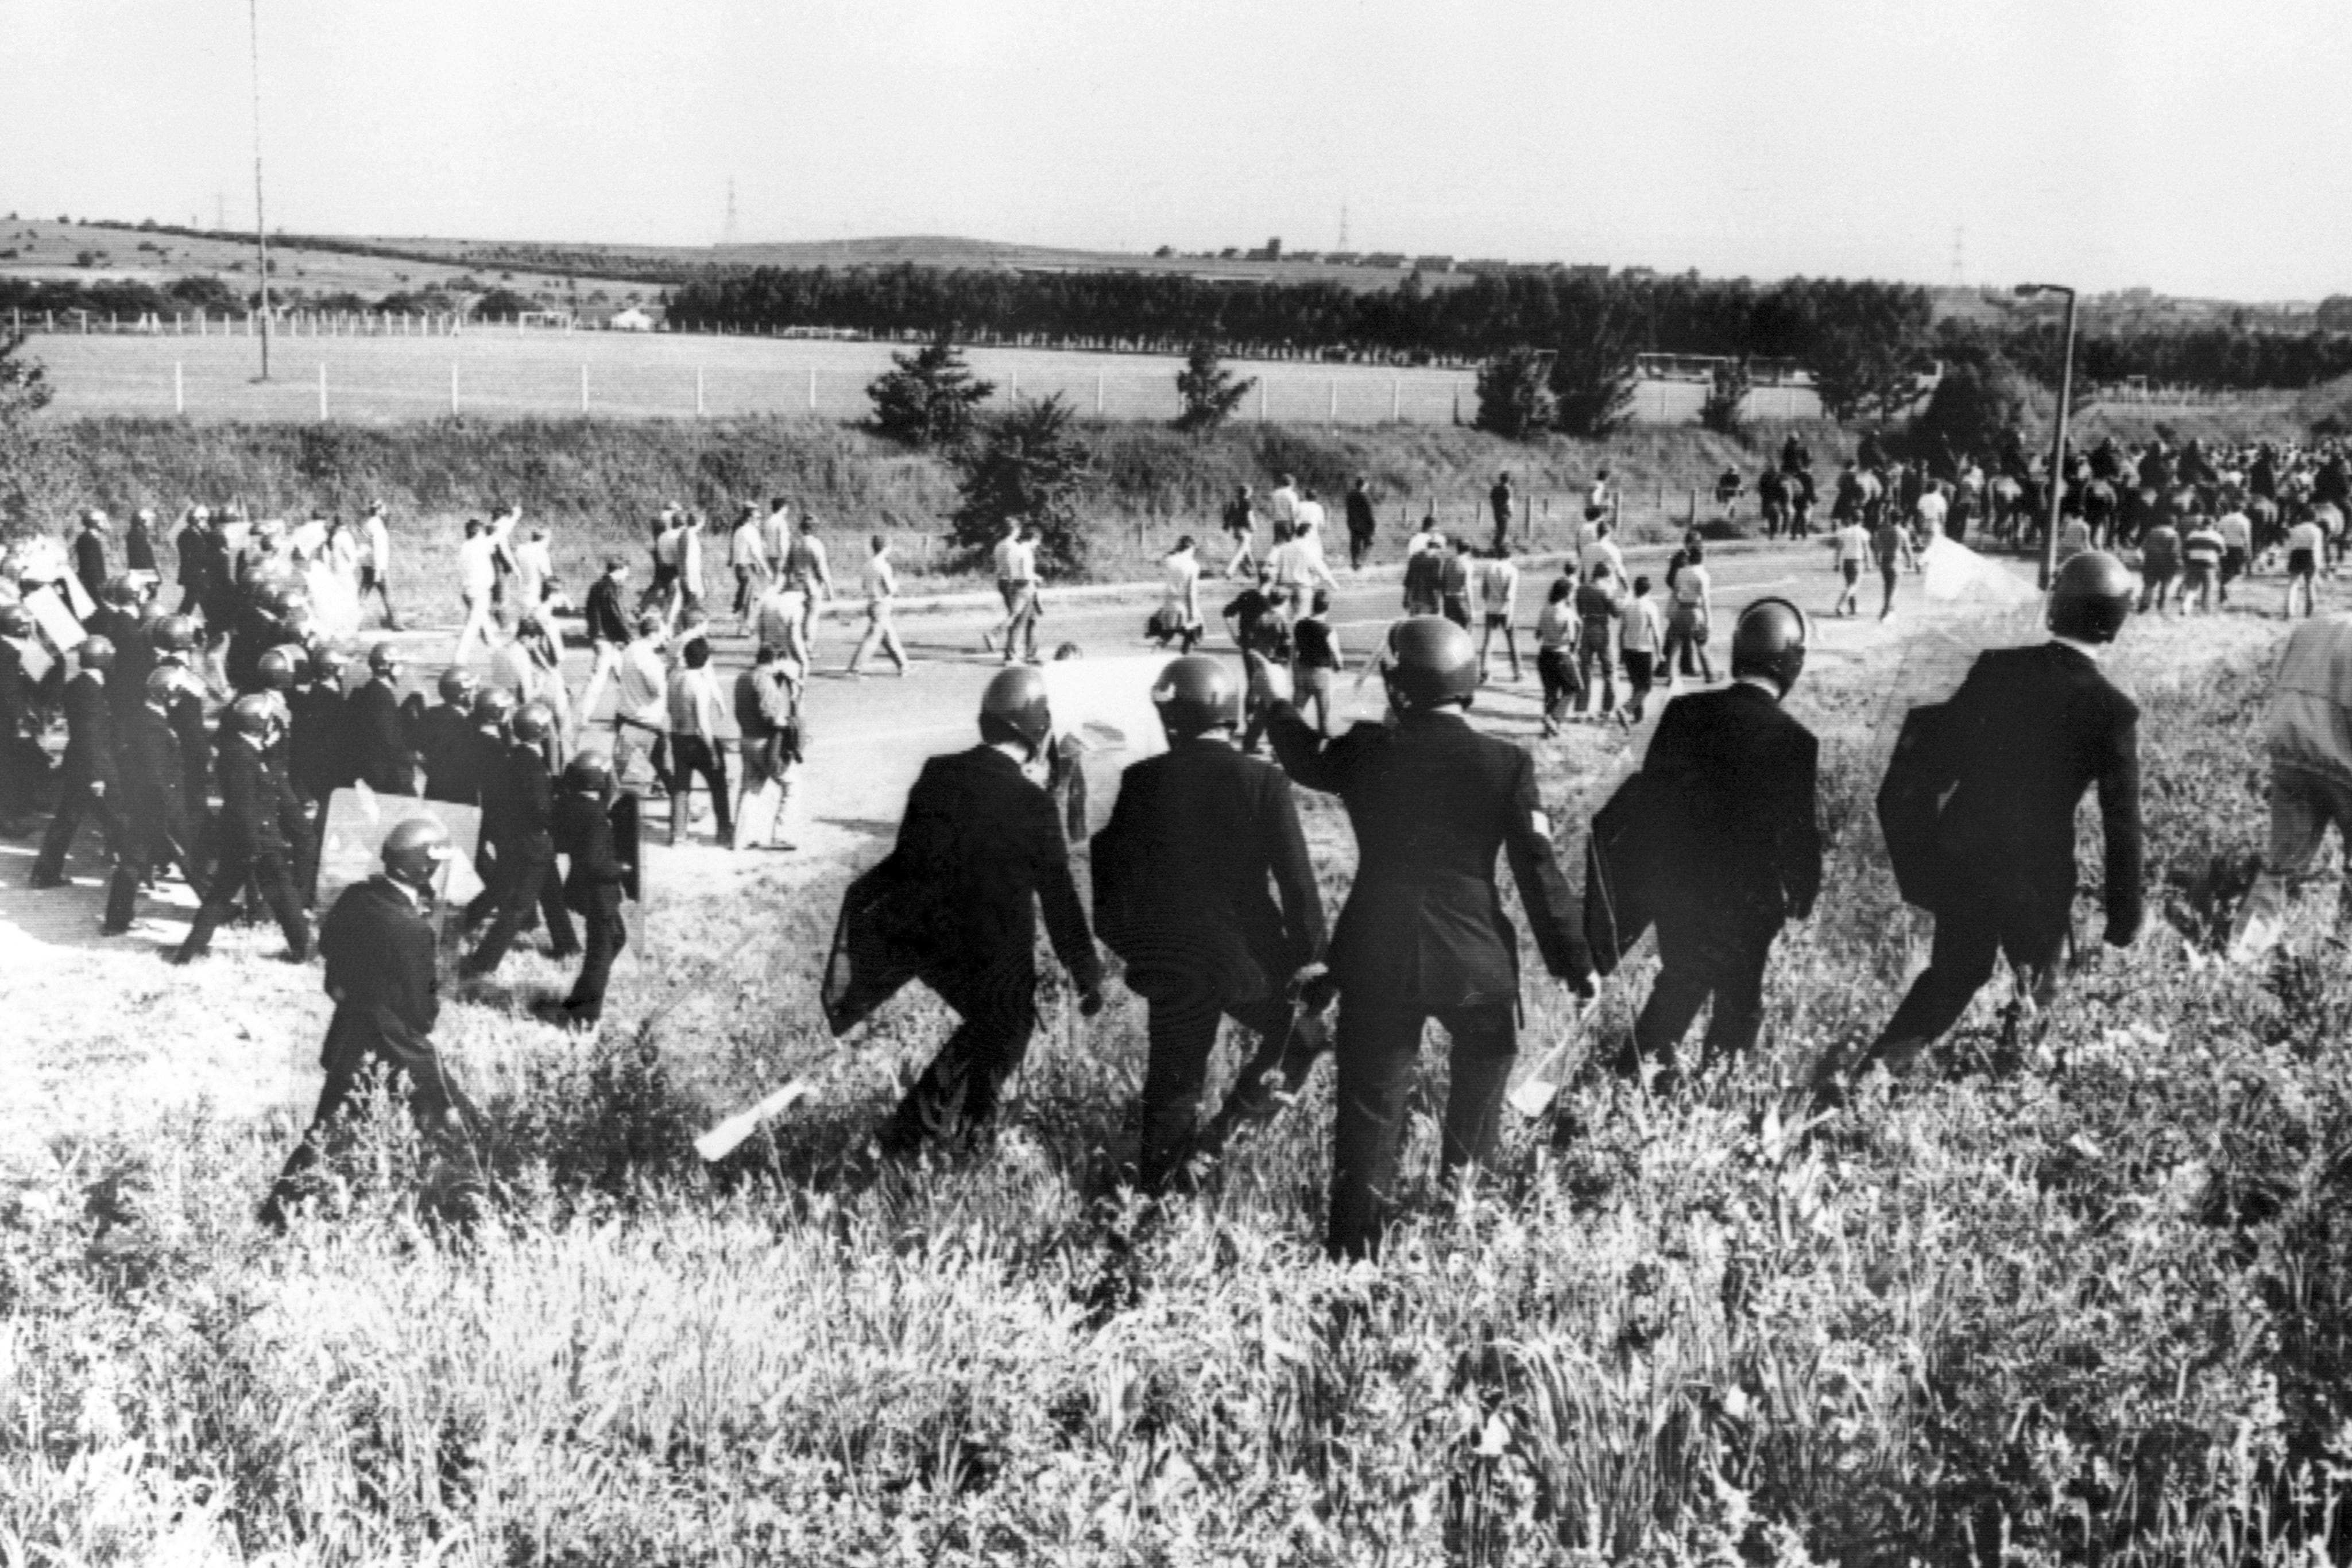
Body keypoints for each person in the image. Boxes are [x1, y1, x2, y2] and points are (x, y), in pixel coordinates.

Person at [1255, 616, 1592, 1259]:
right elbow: (1538, 871)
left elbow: (1302, 757)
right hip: (1475, 959)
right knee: (1479, 1103)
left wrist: (1274, 695)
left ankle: (1353, 1257)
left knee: (1370, 1112)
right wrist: (1574, 961)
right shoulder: (1506, 762)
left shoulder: (1364, 749)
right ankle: (1463, 1240)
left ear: (1398, 685)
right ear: (1467, 681)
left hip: (1378, 953)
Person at [1816, 552, 2142, 1105]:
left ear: (2056, 608)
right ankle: (2007, 1096)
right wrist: (2124, 913)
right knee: (2038, 984)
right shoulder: (2113, 710)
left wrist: (1918, 865)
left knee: (1953, 976)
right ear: (2115, 621)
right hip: (2039, 876)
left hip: (1964, 858)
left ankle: (1860, 1085)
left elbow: (1921, 767)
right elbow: (2122, 823)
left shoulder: (1996, 669)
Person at [1089, 656, 1328, 1191]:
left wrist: (1136, 947)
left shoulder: (1140, 779)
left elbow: (1108, 878)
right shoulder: (1262, 778)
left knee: (1174, 1082)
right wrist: (1314, 959)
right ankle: (1215, 1150)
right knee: (1303, 1038)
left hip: (1173, 960)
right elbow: (1298, 882)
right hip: (1251, 960)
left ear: (1172, 718)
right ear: (1230, 712)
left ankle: (1156, 1196)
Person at [873, 667, 1104, 1156]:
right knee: (1006, 1022)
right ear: (1037, 731)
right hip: (994, 947)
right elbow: (1059, 898)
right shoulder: (1033, 804)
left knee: (996, 1024)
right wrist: (1086, 971)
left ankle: (963, 1130)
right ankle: (919, 1130)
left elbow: (909, 857)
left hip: (926, 938)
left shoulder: (936, 773)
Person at [1613, 602, 1821, 1089]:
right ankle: (1712, 1096)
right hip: (1749, 903)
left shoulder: (1685, 712)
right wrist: (1803, 891)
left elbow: (1652, 801)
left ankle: (1628, 1084)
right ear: (1791, 662)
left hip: (1678, 887)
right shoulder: (1795, 740)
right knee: (1740, 1001)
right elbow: (1797, 831)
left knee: (1679, 981)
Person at [260, 817, 482, 1232]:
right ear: (423, 867)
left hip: (352, 1034)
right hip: (401, 1045)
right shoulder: (412, 929)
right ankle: (483, 1205)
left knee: (327, 1129)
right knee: (457, 1123)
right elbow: (422, 1011)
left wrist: (352, 993)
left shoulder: (356, 898)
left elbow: (329, 950)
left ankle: (276, 1215)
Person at [2229, 613, 2352, 961]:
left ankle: (2243, 954)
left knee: (2281, 865)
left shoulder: (2315, 625)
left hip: (2292, 755)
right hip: (2345, 764)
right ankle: (2341, 963)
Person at [173, 695, 311, 965]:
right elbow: (244, 805)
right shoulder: (240, 756)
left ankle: (189, 953)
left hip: (245, 838)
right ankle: (302, 950)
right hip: (255, 838)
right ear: (259, 724)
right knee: (284, 896)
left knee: (219, 896)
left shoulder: (244, 749)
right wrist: (255, 845)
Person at [461, 702, 579, 981]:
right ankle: (483, 963)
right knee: (518, 907)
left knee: (545, 896)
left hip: (513, 841)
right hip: (534, 846)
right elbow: (542, 811)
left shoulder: (510, 758)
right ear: (540, 732)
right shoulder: (535, 769)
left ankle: (568, 946)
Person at [106, 668, 206, 934]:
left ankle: (116, 921)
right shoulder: (153, 725)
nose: (180, 697)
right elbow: (155, 776)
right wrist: (169, 811)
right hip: (160, 806)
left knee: (133, 861)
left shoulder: (150, 717)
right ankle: (216, 908)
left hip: (147, 805)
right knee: (187, 858)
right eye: (177, 692)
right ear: (166, 694)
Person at [543, 752, 631, 1027]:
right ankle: (583, 1016)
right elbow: (595, 863)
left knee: (617, 938)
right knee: (599, 957)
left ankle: (578, 1000)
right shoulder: (595, 817)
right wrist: (623, 869)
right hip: (598, 894)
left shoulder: (570, 805)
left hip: (583, 888)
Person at [28, 637, 121, 891]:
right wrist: (97, 776)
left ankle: (44, 874)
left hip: (79, 763)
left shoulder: (78, 685)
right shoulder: (91, 691)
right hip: (94, 766)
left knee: (68, 820)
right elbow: (90, 735)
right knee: (121, 818)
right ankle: (135, 871)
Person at [734, 645, 807, 850]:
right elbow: (772, 717)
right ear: (777, 661)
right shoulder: (765, 682)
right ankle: (781, 836)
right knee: (792, 786)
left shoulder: (744, 678)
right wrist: (791, 720)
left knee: (750, 788)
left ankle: (742, 839)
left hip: (747, 739)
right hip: (767, 744)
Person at [665, 637, 734, 845]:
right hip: (696, 738)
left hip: (678, 735)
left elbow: (669, 708)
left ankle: (678, 834)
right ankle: (724, 831)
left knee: (681, 787)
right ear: (705, 660)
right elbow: (703, 723)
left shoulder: (674, 678)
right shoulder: (700, 684)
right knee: (718, 784)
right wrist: (713, 751)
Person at [611, 613, 672, 795]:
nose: (664, 637)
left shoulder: (631, 649)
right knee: (667, 769)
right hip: (646, 723)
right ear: (653, 633)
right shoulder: (650, 659)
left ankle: (604, 808)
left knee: (616, 773)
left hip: (625, 718)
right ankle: (682, 808)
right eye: (662, 633)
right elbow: (657, 691)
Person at [346, 642, 417, 796]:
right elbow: (387, 739)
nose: (400, 668)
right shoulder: (382, 697)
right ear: (385, 666)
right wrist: (412, 756)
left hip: (376, 770)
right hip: (390, 774)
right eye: (396, 663)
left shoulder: (371, 690)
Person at [414, 668, 483, 804]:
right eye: (473, 690)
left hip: (434, 788)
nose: (476, 693)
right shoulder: (465, 724)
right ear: (463, 694)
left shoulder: (431, 715)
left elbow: (422, 752)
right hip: (461, 793)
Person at [845, 536, 912, 676]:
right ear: (886, 547)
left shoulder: (867, 565)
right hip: (882, 603)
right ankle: (854, 669)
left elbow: (864, 586)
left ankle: (904, 666)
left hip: (872, 602)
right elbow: (890, 588)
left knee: (889, 637)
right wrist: (896, 585)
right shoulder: (884, 566)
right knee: (872, 638)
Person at [579, 557, 635, 721]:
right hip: (609, 640)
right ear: (620, 570)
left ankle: (586, 713)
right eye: (626, 571)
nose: (627, 575)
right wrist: (629, 637)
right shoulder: (613, 589)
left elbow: (591, 612)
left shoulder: (596, 586)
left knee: (620, 676)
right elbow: (618, 614)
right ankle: (583, 714)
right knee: (601, 679)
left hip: (601, 637)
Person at [984, 521, 1040, 664]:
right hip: (1018, 583)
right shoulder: (1014, 547)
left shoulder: (999, 546)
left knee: (1024, 617)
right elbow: (1023, 570)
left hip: (1007, 581)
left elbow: (1001, 566)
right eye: (1017, 530)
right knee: (1017, 617)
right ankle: (1004, 642)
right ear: (1013, 531)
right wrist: (1034, 578)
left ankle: (1023, 650)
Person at [1290, 588, 1343, 737]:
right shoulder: (1328, 630)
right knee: (1323, 719)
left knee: (1296, 713)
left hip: (1302, 671)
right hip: (1320, 675)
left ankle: (1284, 745)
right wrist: (1338, 666)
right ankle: (1322, 753)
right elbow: (1337, 656)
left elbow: (1294, 650)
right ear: (1328, 607)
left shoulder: (1299, 625)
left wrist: (1295, 671)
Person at [1574, 563, 1623, 721]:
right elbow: (1616, 613)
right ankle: (1607, 709)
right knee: (1609, 670)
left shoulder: (1582, 589)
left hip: (1585, 630)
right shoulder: (1606, 589)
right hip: (1601, 630)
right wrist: (1622, 603)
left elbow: (1579, 612)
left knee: (1584, 671)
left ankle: (1581, 710)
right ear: (1607, 575)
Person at [1661, 542, 1716, 682]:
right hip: (1695, 610)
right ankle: (1710, 674)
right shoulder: (1703, 575)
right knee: (1701, 643)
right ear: (1702, 557)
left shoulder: (1681, 571)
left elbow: (1676, 592)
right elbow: (1705, 599)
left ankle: (1671, 675)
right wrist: (1709, 621)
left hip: (1681, 609)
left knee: (1676, 644)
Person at [1534, 578, 1580, 739]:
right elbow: (1572, 638)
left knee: (1550, 692)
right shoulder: (1566, 613)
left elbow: (1538, 635)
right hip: (1561, 654)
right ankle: (1555, 718)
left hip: (1544, 654)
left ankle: (1548, 728)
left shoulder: (1545, 609)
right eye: (1572, 593)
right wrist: (1574, 651)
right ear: (1566, 594)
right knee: (1573, 688)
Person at [782, 516, 834, 655]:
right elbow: (822, 569)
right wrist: (830, 589)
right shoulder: (816, 545)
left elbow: (787, 567)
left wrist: (786, 584)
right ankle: (807, 646)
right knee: (811, 617)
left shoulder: (794, 544)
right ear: (814, 528)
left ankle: (794, 646)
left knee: (796, 618)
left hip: (795, 584)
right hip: (812, 584)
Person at [1618, 575, 1665, 725]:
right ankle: (1627, 709)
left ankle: (1638, 718)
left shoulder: (1628, 606)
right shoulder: (1650, 607)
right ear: (1649, 590)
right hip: (1644, 650)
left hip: (1629, 649)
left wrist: (1621, 653)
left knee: (1637, 685)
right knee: (1646, 687)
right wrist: (1660, 653)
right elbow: (1656, 633)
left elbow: (1621, 632)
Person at [1472, 546, 1522, 683]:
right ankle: (1517, 672)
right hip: (1505, 609)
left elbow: (1484, 592)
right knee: (1512, 641)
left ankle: (1484, 672)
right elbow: (1509, 595)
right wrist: (1510, 613)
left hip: (1491, 608)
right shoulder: (1512, 570)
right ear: (1510, 555)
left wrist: (1491, 601)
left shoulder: (1489, 568)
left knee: (1488, 641)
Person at [1150, 536, 1205, 654]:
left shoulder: (1169, 560)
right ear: (1191, 548)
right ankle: (1185, 659)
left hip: (1169, 605)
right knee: (1194, 635)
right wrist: (1192, 614)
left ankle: (1152, 656)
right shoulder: (1193, 566)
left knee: (1166, 635)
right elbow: (1191, 592)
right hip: (1183, 605)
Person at [357, 501, 400, 629]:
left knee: (362, 595)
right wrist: (378, 569)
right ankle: (395, 622)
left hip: (368, 565)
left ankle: (353, 620)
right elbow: (378, 548)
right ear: (379, 510)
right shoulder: (377, 526)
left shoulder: (368, 524)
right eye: (384, 509)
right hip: (377, 566)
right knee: (387, 594)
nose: (386, 511)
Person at [729, 502, 771, 622]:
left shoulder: (739, 530)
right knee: (751, 598)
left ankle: (741, 617)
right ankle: (746, 624)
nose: (760, 520)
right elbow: (756, 553)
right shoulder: (751, 531)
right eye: (757, 518)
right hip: (746, 567)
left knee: (752, 596)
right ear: (750, 518)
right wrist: (766, 570)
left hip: (740, 568)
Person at [1871, 510, 1916, 621]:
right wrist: (1911, 562)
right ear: (1900, 519)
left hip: (1884, 560)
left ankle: (1890, 610)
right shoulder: (1902, 532)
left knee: (1888, 588)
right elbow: (1908, 550)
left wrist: (1877, 559)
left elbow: (1877, 547)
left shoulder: (1882, 531)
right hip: (1896, 561)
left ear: (1890, 518)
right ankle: (1885, 611)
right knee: (1894, 588)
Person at [2181, 514, 2226, 614]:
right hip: (2209, 565)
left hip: (2194, 563)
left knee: (2192, 587)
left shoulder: (2193, 534)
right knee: (2207, 588)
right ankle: (2205, 610)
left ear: (2202, 524)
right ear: (2213, 525)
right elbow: (2223, 553)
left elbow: (2186, 550)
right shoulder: (2217, 536)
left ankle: (2186, 607)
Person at [2138, 514, 2182, 615]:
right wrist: (2177, 563)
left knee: (2149, 585)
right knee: (2165, 585)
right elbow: (2174, 551)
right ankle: (2161, 607)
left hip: (2151, 561)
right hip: (2166, 563)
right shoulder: (2174, 535)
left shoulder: (2152, 532)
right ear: (2174, 523)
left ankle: (2144, 606)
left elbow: (2144, 547)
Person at [2287, 509, 2325, 618]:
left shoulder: (2295, 529)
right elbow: (2317, 549)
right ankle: (2308, 613)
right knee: (2310, 584)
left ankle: (2290, 611)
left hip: (2297, 555)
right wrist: (2318, 564)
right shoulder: (2317, 531)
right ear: (2314, 518)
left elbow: (2291, 545)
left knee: (2293, 584)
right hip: (2310, 556)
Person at [1221, 485, 1259, 580]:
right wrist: (1253, 527)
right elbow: (1249, 516)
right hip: (1245, 531)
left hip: (1236, 530)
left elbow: (1229, 516)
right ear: (1248, 493)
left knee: (1247, 553)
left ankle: (1252, 573)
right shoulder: (1247, 502)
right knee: (1240, 553)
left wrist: (1227, 526)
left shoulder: (1235, 503)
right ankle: (1229, 572)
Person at [74, 509, 110, 605]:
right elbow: (93, 567)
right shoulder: (90, 540)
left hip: (89, 582)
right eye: (103, 521)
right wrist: (100, 585)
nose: (106, 523)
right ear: (96, 523)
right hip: (93, 584)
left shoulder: (85, 537)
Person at [1438, 536, 1473, 629]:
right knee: (1466, 631)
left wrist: (1444, 600)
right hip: (1460, 599)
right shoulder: (1467, 564)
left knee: (1451, 631)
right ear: (1469, 550)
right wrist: (1472, 609)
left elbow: (1443, 582)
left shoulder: (1448, 561)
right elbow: (1468, 587)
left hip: (1448, 600)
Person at [1344, 477, 1378, 570]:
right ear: (1364, 485)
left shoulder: (1350, 495)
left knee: (1355, 544)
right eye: (1367, 485)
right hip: (1364, 525)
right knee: (1369, 543)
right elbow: (1369, 512)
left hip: (1352, 523)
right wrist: (1373, 525)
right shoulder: (1365, 497)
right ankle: (1360, 561)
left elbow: (1348, 509)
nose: (1368, 486)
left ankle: (1354, 562)